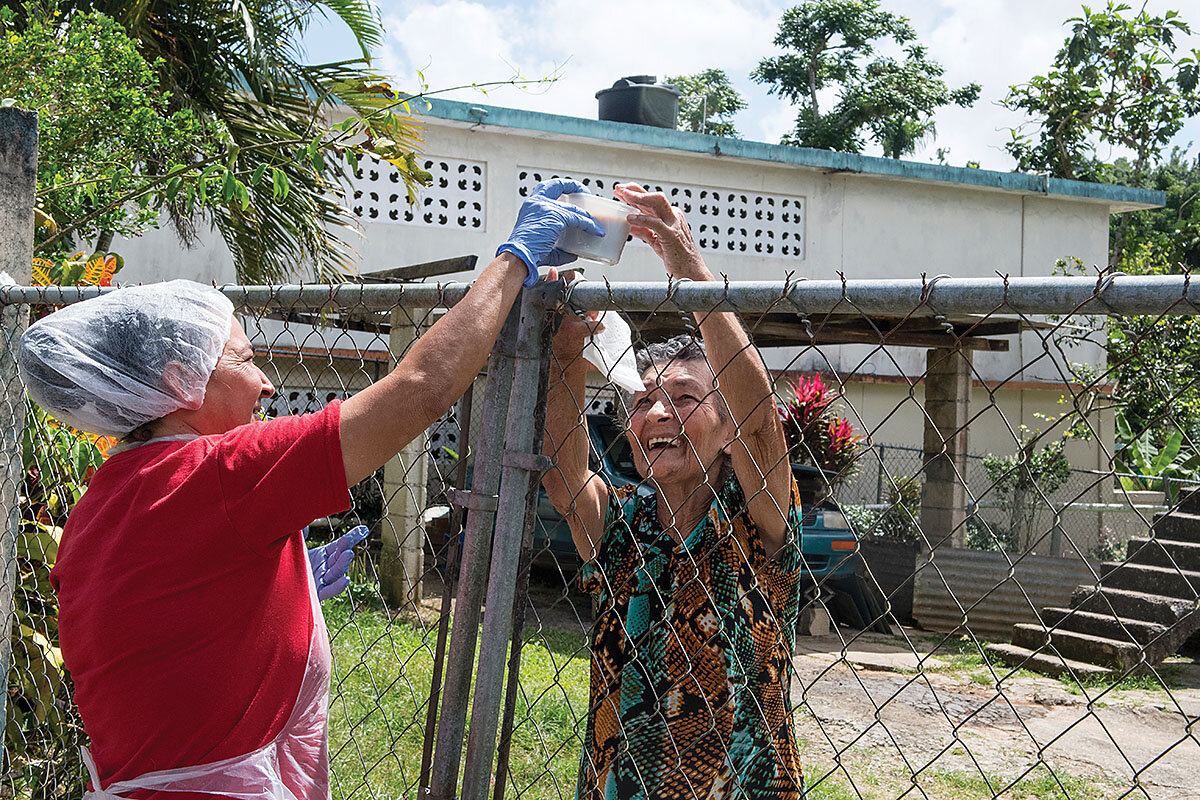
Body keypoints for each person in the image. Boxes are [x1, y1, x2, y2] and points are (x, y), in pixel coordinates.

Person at [21, 179, 603, 800]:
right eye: (246, 361)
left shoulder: (106, 497)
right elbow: (423, 386)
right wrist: (513, 260)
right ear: (181, 381)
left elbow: (179, 634)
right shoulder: (216, 474)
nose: (268, 384)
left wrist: (278, 595)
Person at [541, 185, 806, 800]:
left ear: (724, 427)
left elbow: (761, 424)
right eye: (642, 401)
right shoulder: (621, 523)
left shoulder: (758, 524)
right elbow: (563, 477)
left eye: (684, 398)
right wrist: (565, 352)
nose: (657, 413)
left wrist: (687, 265)